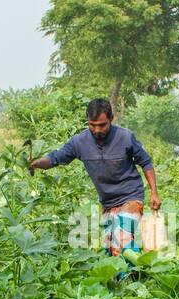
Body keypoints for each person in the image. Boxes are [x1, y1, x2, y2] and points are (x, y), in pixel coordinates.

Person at [28, 97, 160, 262]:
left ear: (111, 119)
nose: (97, 130)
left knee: (122, 237)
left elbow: (145, 162)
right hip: (108, 202)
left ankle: (132, 278)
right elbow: (56, 157)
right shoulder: (79, 142)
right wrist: (37, 163)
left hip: (131, 195)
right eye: (92, 125)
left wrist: (154, 193)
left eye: (102, 125)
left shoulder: (125, 137)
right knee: (110, 247)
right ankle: (123, 279)